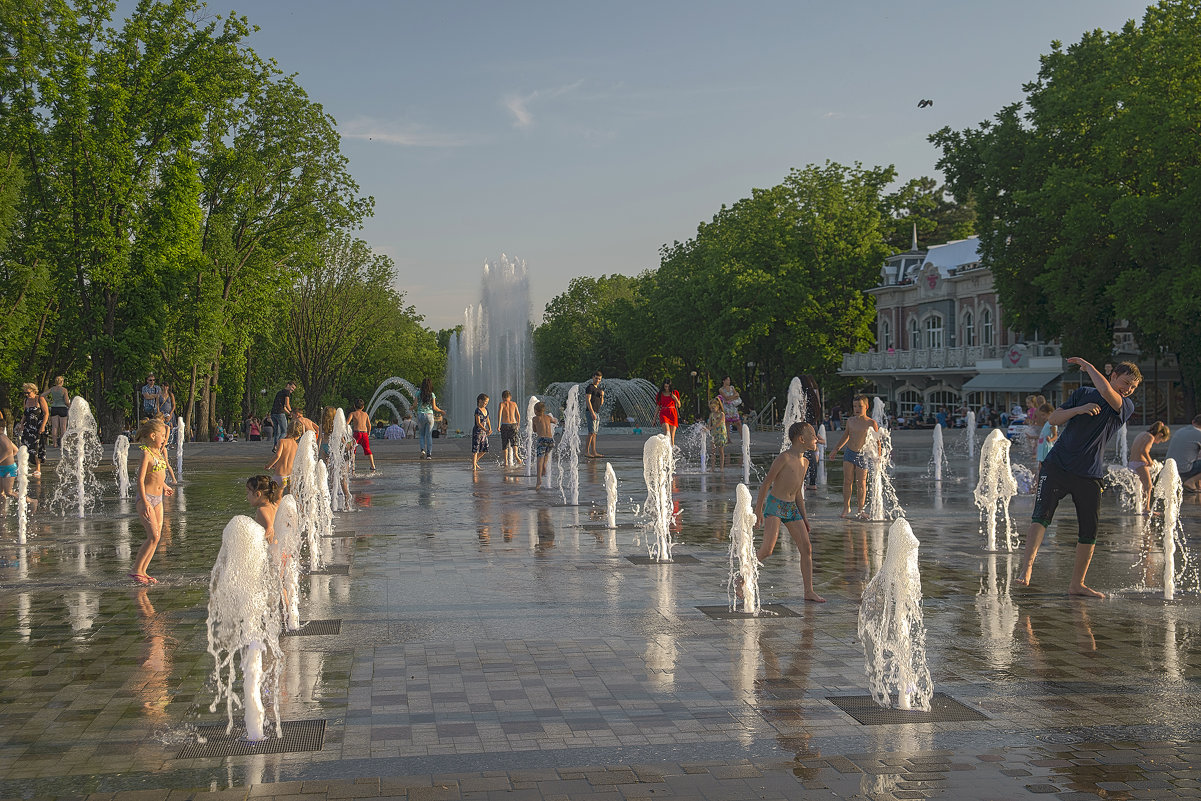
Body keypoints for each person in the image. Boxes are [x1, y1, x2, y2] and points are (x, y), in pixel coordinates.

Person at [1016, 358, 1142, 599]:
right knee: (1041, 516)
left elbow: (1106, 391)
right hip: (1057, 466)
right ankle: (1027, 566)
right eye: (1126, 383)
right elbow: (1054, 419)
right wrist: (1079, 410)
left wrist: (1089, 366)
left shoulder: (1124, 406)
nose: (1128, 389)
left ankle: (1077, 584)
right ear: (1114, 375)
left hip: (1089, 473)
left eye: (1133, 387)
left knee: (1089, 529)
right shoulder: (1083, 393)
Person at [753, 421, 826, 603]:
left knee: (806, 548)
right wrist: (758, 511)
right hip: (775, 506)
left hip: (792, 508)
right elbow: (766, 484)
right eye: (812, 435)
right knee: (768, 549)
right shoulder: (784, 458)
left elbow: (798, 492)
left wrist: (804, 517)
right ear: (801, 439)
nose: (816, 438)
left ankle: (808, 591)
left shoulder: (806, 461)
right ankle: (742, 577)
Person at [131, 418, 174, 585]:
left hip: (158, 499)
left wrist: (163, 486)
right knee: (153, 536)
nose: (164, 438)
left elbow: (156, 475)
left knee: (157, 537)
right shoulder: (146, 453)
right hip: (146, 499)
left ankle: (143, 570)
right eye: (162, 436)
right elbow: (141, 480)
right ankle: (136, 569)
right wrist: (145, 501)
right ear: (152, 435)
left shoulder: (158, 452)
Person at [831, 394, 878, 520]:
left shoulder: (871, 423)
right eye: (855, 406)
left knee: (861, 483)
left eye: (860, 406)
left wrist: (878, 456)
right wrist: (836, 449)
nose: (857, 409)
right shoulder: (850, 421)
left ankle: (861, 510)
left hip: (863, 455)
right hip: (849, 453)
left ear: (866, 407)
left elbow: (877, 441)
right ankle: (846, 507)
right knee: (847, 481)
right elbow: (846, 436)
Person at [1129, 421, 1170, 515]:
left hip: (1132, 462)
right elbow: (1144, 450)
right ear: (1160, 434)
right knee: (1148, 486)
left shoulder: (1142, 434)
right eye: (1160, 440)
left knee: (1143, 486)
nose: (1159, 442)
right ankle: (1146, 509)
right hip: (1140, 463)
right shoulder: (1150, 437)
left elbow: (1138, 449)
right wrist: (1150, 461)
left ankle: (1141, 507)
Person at [20, 383, 49, 477]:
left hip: (38, 426)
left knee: (37, 446)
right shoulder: (26, 400)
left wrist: (43, 426)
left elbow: (46, 413)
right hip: (28, 426)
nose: (26, 395)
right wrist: (21, 424)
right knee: (26, 446)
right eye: (25, 393)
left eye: (28, 393)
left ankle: (38, 468)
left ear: (34, 390)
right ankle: (26, 466)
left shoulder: (40, 399)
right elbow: (25, 414)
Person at [1166, 414, 1201, 492]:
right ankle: (1191, 482)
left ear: (1193, 422)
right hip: (1184, 470)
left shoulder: (1181, 430)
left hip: (1170, 469)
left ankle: (1196, 484)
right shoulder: (1199, 433)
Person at [264, 421, 301, 490]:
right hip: (291, 476)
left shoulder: (282, 441)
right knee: (293, 497)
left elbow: (277, 456)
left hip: (280, 475)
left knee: (277, 498)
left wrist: (269, 466)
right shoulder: (297, 445)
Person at [245, 474, 282, 545]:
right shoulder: (275, 506)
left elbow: (269, 528)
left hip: (271, 550)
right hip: (279, 547)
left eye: (248, 493)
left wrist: (254, 544)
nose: (247, 497)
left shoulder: (261, 510)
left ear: (257, 494)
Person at [415, 378, 444, 460]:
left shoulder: (418, 393)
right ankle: (429, 454)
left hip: (421, 415)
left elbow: (415, 404)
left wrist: (411, 407)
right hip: (430, 416)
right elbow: (434, 407)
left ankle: (422, 450)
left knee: (421, 435)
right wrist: (441, 411)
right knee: (429, 436)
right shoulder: (432, 394)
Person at [532, 401, 557, 490]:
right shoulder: (548, 417)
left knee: (539, 460)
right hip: (550, 440)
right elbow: (555, 421)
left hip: (541, 440)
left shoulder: (535, 418)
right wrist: (554, 421)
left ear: (535, 411)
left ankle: (539, 480)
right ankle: (545, 465)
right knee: (546, 454)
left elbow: (534, 430)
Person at [348, 398, 377, 472]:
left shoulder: (352, 414)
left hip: (357, 433)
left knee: (353, 450)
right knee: (368, 450)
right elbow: (369, 425)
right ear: (363, 407)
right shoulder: (365, 414)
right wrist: (369, 432)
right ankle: (372, 465)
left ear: (354, 406)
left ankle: (353, 467)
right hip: (364, 433)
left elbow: (347, 423)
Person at [269, 381, 296, 453]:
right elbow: (287, 404)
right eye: (292, 387)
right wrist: (292, 412)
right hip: (280, 413)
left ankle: (275, 447)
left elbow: (283, 407)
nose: (292, 390)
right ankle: (277, 446)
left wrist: (288, 413)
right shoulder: (286, 392)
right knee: (284, 431)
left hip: (273, 413)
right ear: (288, 385)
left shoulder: (279, 392)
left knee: (277, 432)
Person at [43, 376, 70, 448]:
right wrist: (70, 406)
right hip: (62, 408)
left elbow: (42, 395)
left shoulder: (52, 389)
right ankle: (62, 443)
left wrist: (49, 401)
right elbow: (66, 401)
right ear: (62, 382)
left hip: (54, 407)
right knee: (63, 427)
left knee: (54, 427)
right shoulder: (64, 390)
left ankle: (54, 443)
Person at [498, 390, 522, 467]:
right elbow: (518, 415)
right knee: (514, 441)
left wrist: (498, 425)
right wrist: (518, 424)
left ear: (502, 397)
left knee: (505, 444)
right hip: (513, 424)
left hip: (505, 425)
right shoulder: (514, 404)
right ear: (510, 397)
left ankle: (505, 462)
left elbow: (500, 415)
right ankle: (516, 455)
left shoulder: (501, 404)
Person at [584, 371, 605, 458]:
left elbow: (601, 403)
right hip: (591, 412)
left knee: (594, 433)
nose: (597, 380)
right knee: (591, 432)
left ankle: (594, 451)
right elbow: (587, 400)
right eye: (596, 378)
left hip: (597, 412)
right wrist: (592, 412)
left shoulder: (599, 390)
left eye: (599, 379)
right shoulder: (590, 387)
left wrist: (602, 396)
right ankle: (586, 452)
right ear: (593, 377)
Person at [656, 379, 681, 448]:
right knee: (667, 434)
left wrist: (675, 398)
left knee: (672, 437)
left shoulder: (674, 393)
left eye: (667, 387)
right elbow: (658, 406)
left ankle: (671, 453)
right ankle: (666, 449)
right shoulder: (660, 394)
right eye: (665, 387)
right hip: (664, 413)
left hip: (673, 414)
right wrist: (654, 419)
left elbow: (679, 405)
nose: (666, 388)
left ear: (670, 386)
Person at [705, 397, 728, 470]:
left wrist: (710, 428)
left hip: (721, 434)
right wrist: (705, 428)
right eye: (711, 408)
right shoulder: (711, 415)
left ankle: (721, 467)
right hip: (714, 434)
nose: (712, 409)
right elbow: (709, 424)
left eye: (714, 407)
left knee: (721, 451)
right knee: (713, 451)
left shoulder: (722, 414)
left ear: (718, 406)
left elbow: (718, 424)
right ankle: (712, 467)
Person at [471, 393, 491, 470]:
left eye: (487, 403)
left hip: (484, 432)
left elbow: (488, 420)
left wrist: (490, 428)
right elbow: (478, 423)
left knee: (485, 449)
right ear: (480, 401)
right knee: (476, 449)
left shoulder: (486, 410)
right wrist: (485, 429)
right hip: (477, 431)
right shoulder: (477, 410)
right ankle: (474, 466)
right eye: (484, 402)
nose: (485, 404)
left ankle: (475, 461)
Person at [1035, 402, 1058, 473]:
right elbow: (1042, 436)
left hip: (1046, 448)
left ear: (1050, 413)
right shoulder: (1047, 423)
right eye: (1041, 415)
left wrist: (1050, 439)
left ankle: (1043, 481)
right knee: (1040, 467)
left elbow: (1055, 435)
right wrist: (1032, 437)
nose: (1042, 417)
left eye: (1043, 415)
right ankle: (1039, 482)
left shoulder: (1052, 423)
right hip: (1042, 448)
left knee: (1045, 467)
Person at [718, 376, 742, 441]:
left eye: (729, 380)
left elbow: (737, 395)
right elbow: (726, 397)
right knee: (727, 423)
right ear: (724, 381)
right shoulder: (721, 389)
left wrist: (731, 397)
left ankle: (743, 437)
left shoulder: (732, 387)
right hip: (726, 408)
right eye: (727, 380)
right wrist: (733, 397)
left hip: (733, 407)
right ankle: (728, 438)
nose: (729, 381)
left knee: (738, 422)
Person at [0, 426, 18, 501]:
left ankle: (32, 501)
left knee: (9, 492)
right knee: (1, 493)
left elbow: (8, 450)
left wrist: (3, 460)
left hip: (9, 468)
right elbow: (15, 450)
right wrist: (7, 459)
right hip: (3, 467)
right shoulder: (4, 437)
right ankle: (3, 512)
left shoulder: (2, 437)